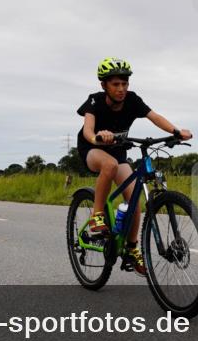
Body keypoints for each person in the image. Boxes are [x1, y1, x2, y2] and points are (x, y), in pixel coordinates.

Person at [77, 57, 191, 276]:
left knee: (134, 202)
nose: (121, 89)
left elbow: (154, 116)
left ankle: (131, 249)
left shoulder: (132, 100)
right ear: (104, 85)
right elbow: (88, 129)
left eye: (125, 84)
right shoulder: (95, 102)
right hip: (92, 149)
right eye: (115, 84)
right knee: (108, 165)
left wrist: (176, 132)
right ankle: (97, 215)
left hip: (118, 152)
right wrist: (97, 137)